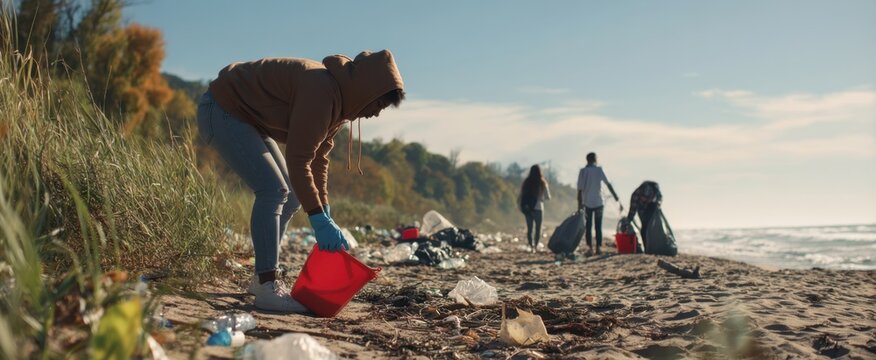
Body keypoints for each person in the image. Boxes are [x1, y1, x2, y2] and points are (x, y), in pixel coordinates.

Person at [198, 50, 404, 312]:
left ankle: (260, 277)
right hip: (222, 110)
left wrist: (325, 212)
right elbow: (298, 159)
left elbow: (318, 160)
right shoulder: (321, 90)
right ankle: (267, 285)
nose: (375, 115)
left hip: (247, 120)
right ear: (367, 91)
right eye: (378, 105)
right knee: (273, 190)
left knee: (294, 194)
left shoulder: (339, 102)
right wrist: (317, 219)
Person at [576, 152, 621, 255]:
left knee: (588, 226)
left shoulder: (583, 171)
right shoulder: (599, 170)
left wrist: (579, 205)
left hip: (587, 202)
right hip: (599, 202)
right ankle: (598, 248)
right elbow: (608, 184)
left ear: (587, 160)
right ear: (595, 159)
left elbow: (579, 189)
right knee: (598, 226)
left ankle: (590, 248)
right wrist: (616, 197)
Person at [518, 165, 551, 253]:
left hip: (528, 208)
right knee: (538, 229)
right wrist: (541, 198)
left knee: (529, 229)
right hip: (539, 208)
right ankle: (536, 246)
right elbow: (548, 197)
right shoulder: (542, 182)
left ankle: (531, 246)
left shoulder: (527, 182)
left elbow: (521, 195)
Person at [627, 181, 662, 252]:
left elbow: (659, 198)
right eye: (644, 197)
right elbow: (632, 210)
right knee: (644, 229)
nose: (646, 199)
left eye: (648, 198)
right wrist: (629, 221)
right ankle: (647, 248)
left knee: (652, 228)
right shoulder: (635, 196)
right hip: (641, 209)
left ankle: (654, 247)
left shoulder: (655, 192)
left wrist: (657, 204)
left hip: (652, 208)